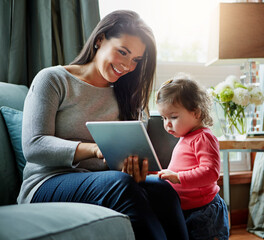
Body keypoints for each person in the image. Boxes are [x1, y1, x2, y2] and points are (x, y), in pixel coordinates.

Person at [17, 10, 188, 240]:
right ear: (100, 40)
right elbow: (34, 145)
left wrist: (133, 167)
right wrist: (96, 149)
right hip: (46, 183)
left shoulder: (127, 94)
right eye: (122, 52)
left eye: (136, 60)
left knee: (163, 190)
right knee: (120, 184)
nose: (128, 66)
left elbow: (121, 163)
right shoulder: (54, 80)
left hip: (103, 180)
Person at [156, 74, 230, 240]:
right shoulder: (186, 137)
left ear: (196, 113)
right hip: (188, 208)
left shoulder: (203, 137)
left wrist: (178, 177)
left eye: (173, 117)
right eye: (164, 118)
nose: (167, 123)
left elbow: (210, 172)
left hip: (204, 211)